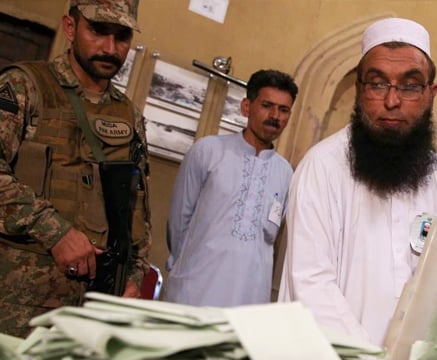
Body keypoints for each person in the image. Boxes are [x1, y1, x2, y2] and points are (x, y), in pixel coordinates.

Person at [278, 17, 437, 345]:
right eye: (378, 83)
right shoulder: (321, 168)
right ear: (359, 90)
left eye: (409, 85)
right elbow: (311, 284)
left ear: (430, 94)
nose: (392, 101)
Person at [0, 0, 149, 338]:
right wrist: (56, 232)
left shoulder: (129, 115)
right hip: (15, 304)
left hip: (88, 317)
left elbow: (137, 209)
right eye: (98, 31)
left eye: (122, 36)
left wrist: (132, 279)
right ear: (70, 28)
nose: (110, 48)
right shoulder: (26, 87)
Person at [164, 69, 298, 307]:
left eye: (283, 110)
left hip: (249, 297)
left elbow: (271, 240)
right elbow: (178, 222)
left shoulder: (286, 173)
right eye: (267, 105)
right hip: (195, 289)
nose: (275, 116)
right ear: (247, 107)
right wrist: (187, 264)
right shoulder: (208, 151)